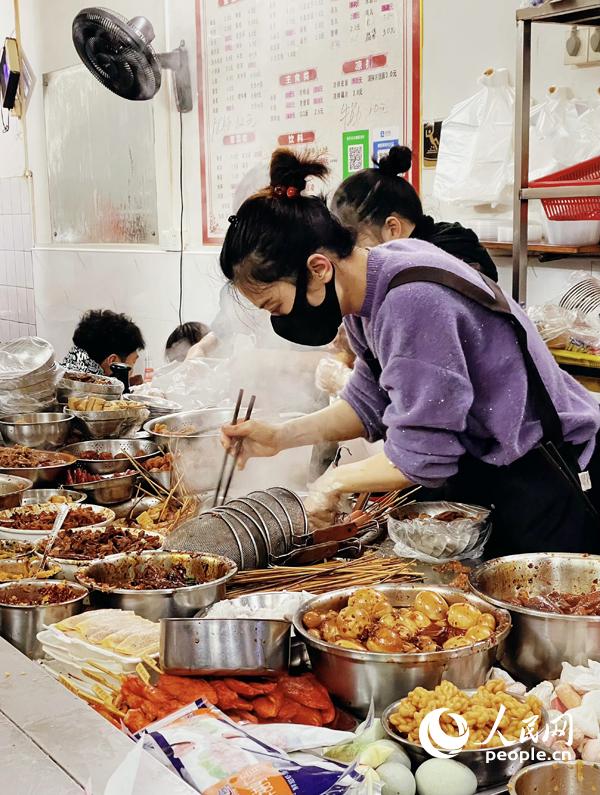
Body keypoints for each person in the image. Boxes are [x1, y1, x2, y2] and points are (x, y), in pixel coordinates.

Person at [219, 148, 600, 556]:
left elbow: (423, 454)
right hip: (503, 469)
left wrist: (333, 482)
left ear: (318, 268)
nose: (281, 320)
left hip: (551, 471)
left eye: (276, 306)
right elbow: (367, 404)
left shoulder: (411, 301)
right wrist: (280, 437)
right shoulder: (368, 286)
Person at [331, 145, 498, 282]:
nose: (353, 258)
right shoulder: (440, 247)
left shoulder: (434, 272)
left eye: (358, 248)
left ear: (392, 228)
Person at [61, 309, 145, 382]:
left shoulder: (62, 377)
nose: (132, 372)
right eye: (133, 362)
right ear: (113, 362)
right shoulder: (93, 393)